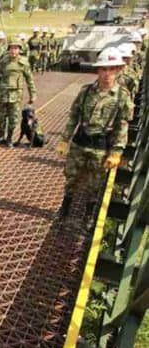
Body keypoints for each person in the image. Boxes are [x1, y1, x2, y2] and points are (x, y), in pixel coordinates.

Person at [56, 47, 132, 228]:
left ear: (118, 70)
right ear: (98, 70)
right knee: (71, 176)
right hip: (80, 142)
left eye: (111, 69)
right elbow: (74, 116)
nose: (107, 74)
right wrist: (65, 139)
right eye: (104, 69)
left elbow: (122, 125)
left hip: (100, 146)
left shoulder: (122, 96)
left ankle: (89, 214)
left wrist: (116, 151)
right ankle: (65, 207)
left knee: (95, 182)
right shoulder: (86, 91)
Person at [0, 38, 36, 147]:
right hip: (3, 94)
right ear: (8, 49)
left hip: (16, 95)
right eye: (11, 48)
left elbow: (29, 79)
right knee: (1, 117)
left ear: (19, 50)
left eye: (16, 48)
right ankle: (1, 136)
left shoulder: (23, 63)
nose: (13, 51)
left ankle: (9, 138)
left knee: (13, 118)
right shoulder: (3, 61)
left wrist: (33, 94)